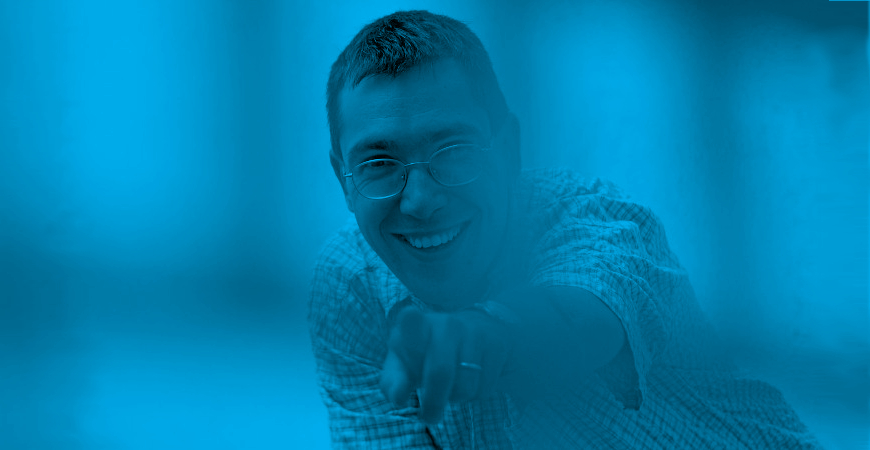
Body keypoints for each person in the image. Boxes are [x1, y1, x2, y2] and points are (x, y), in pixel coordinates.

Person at [309, 10, 822, 449]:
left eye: (455, 150)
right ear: (342, 179)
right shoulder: (351, 286)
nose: (420, 201)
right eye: (378, 164)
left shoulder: (601, 222)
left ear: (509, 150)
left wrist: (487, 334)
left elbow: (582, 316)